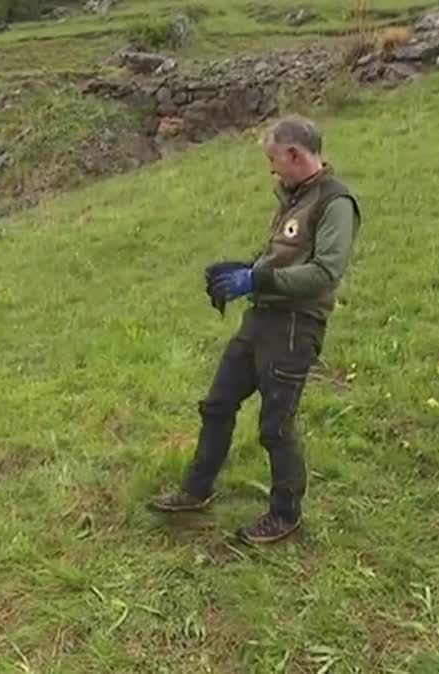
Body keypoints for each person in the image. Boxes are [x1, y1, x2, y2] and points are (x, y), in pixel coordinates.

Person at [149, 115, 362, 544]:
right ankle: (196, 489)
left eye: (273, 160)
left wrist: (258, 279)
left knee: (275, 427)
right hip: (260, 319)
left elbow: (325, 271)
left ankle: (285, 515)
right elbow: (282, 255)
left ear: (294, 154)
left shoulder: (335, 203)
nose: (271, 169)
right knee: (217, 404)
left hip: (294, 328)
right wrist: (246, 269)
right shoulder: (292, 197)